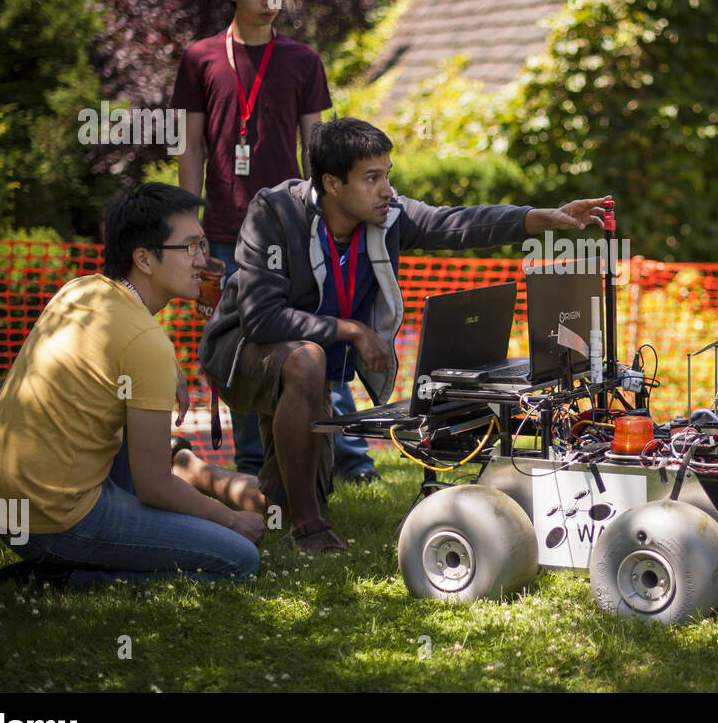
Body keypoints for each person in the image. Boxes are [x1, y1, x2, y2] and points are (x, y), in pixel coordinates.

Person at [199, 117, 608, 552]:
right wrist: (352, 330)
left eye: (387, 175)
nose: (387, 190)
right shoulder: (274, 213)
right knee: (307, 362)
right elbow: (261, 318)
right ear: (331, 184)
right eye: (372, 178)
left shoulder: (389, 217)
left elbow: (454, 224)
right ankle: (308, 525)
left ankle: (193, 473)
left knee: (275, 500)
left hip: (302, 367)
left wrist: (536, 219)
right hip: (240, 352)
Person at [0, 184, 266, 587]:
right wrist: (233, 520)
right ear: (143, 258)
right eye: (191, 247)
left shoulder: (81, 289)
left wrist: (169, 371)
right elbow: (155, 486)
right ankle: (58, 576)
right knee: (239, 559)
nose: (204, 260)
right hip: (53, 520)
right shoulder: (145, 342)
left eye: (202, 244)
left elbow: (112, 356)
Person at [169, 0, 378, 483]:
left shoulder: (303, 60)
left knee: (319, 337)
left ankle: (352, 463)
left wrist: (331, 219)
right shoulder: (199, 58)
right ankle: (253, 465)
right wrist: (190, 229)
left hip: (294, 230)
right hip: (221, 230)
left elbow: (322, 148)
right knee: (242, 348)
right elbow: (187, 146)